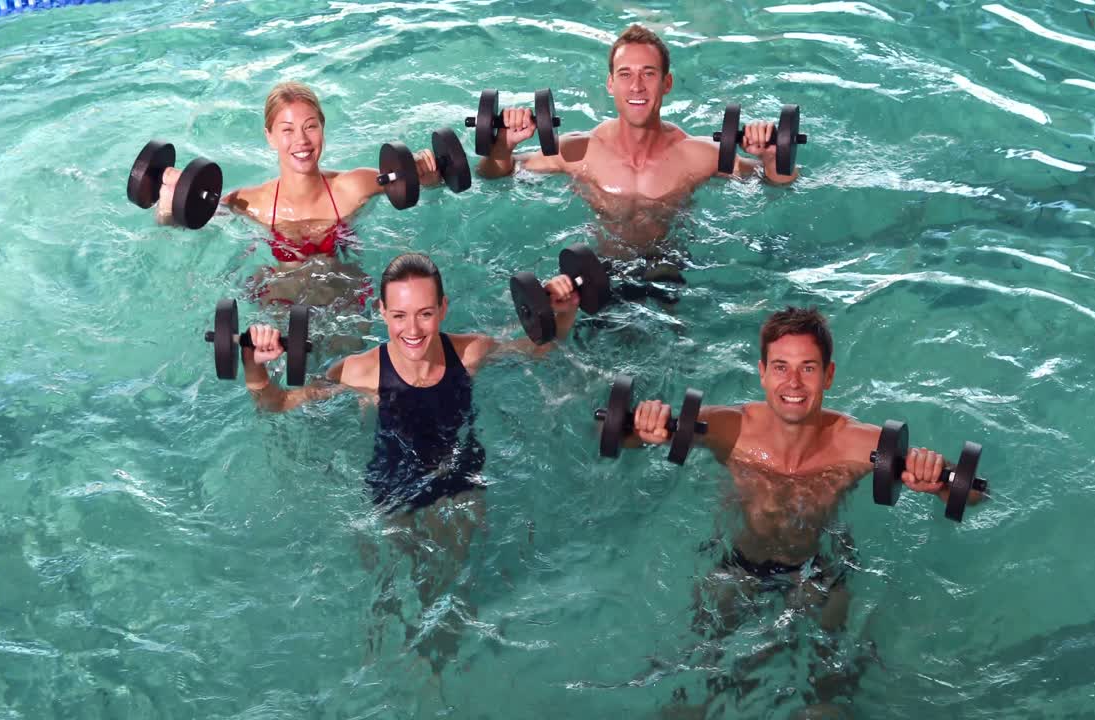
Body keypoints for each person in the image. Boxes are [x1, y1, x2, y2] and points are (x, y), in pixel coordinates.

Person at [623, 306, 986, 712]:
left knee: (828, 694)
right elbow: (624, 436)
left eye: (808, 368)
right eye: (780, 367)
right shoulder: (727, 428)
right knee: (695, 679)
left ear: (828, 375)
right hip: (738, 565)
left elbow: (971, 494)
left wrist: (935, 475)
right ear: (762, 372)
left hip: (819, 572)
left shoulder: (856, 443)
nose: (793, 382)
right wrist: (645, 425)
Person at [240, 251, 579, 671]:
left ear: (443, 309)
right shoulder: (358, 371)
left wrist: (563, 313)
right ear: (381, 312)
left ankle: (442, 668)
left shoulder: (471, 352)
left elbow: (538, 349)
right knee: (391, 593)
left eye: (424, 314)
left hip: (460, 480)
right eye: (399, 315)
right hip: (392, 487)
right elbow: (277, 403)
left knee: (451, 590)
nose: (412, 329)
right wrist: (254, 366)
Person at [476, 25, 800, 286]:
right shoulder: (580, 151)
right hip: (599, 273)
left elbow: (776, 184)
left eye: (648, 73)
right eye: (625, 74)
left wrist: (771, 156)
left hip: (669, 269)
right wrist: (503, 144)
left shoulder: (696, 155)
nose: (636, 86)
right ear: (610, 83)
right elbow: (494, 174)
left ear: (666, 83)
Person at [156, 82, 446, 311]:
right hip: (281, 304)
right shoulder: (249, 202)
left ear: (322, 127)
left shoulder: (355, 186)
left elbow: (414, 184)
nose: (302, 141)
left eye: (310, 126)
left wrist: (431, 176)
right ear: (269, 136)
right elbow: (186, 222)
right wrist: (167, 209)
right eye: (287, 130)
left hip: (345, 302)